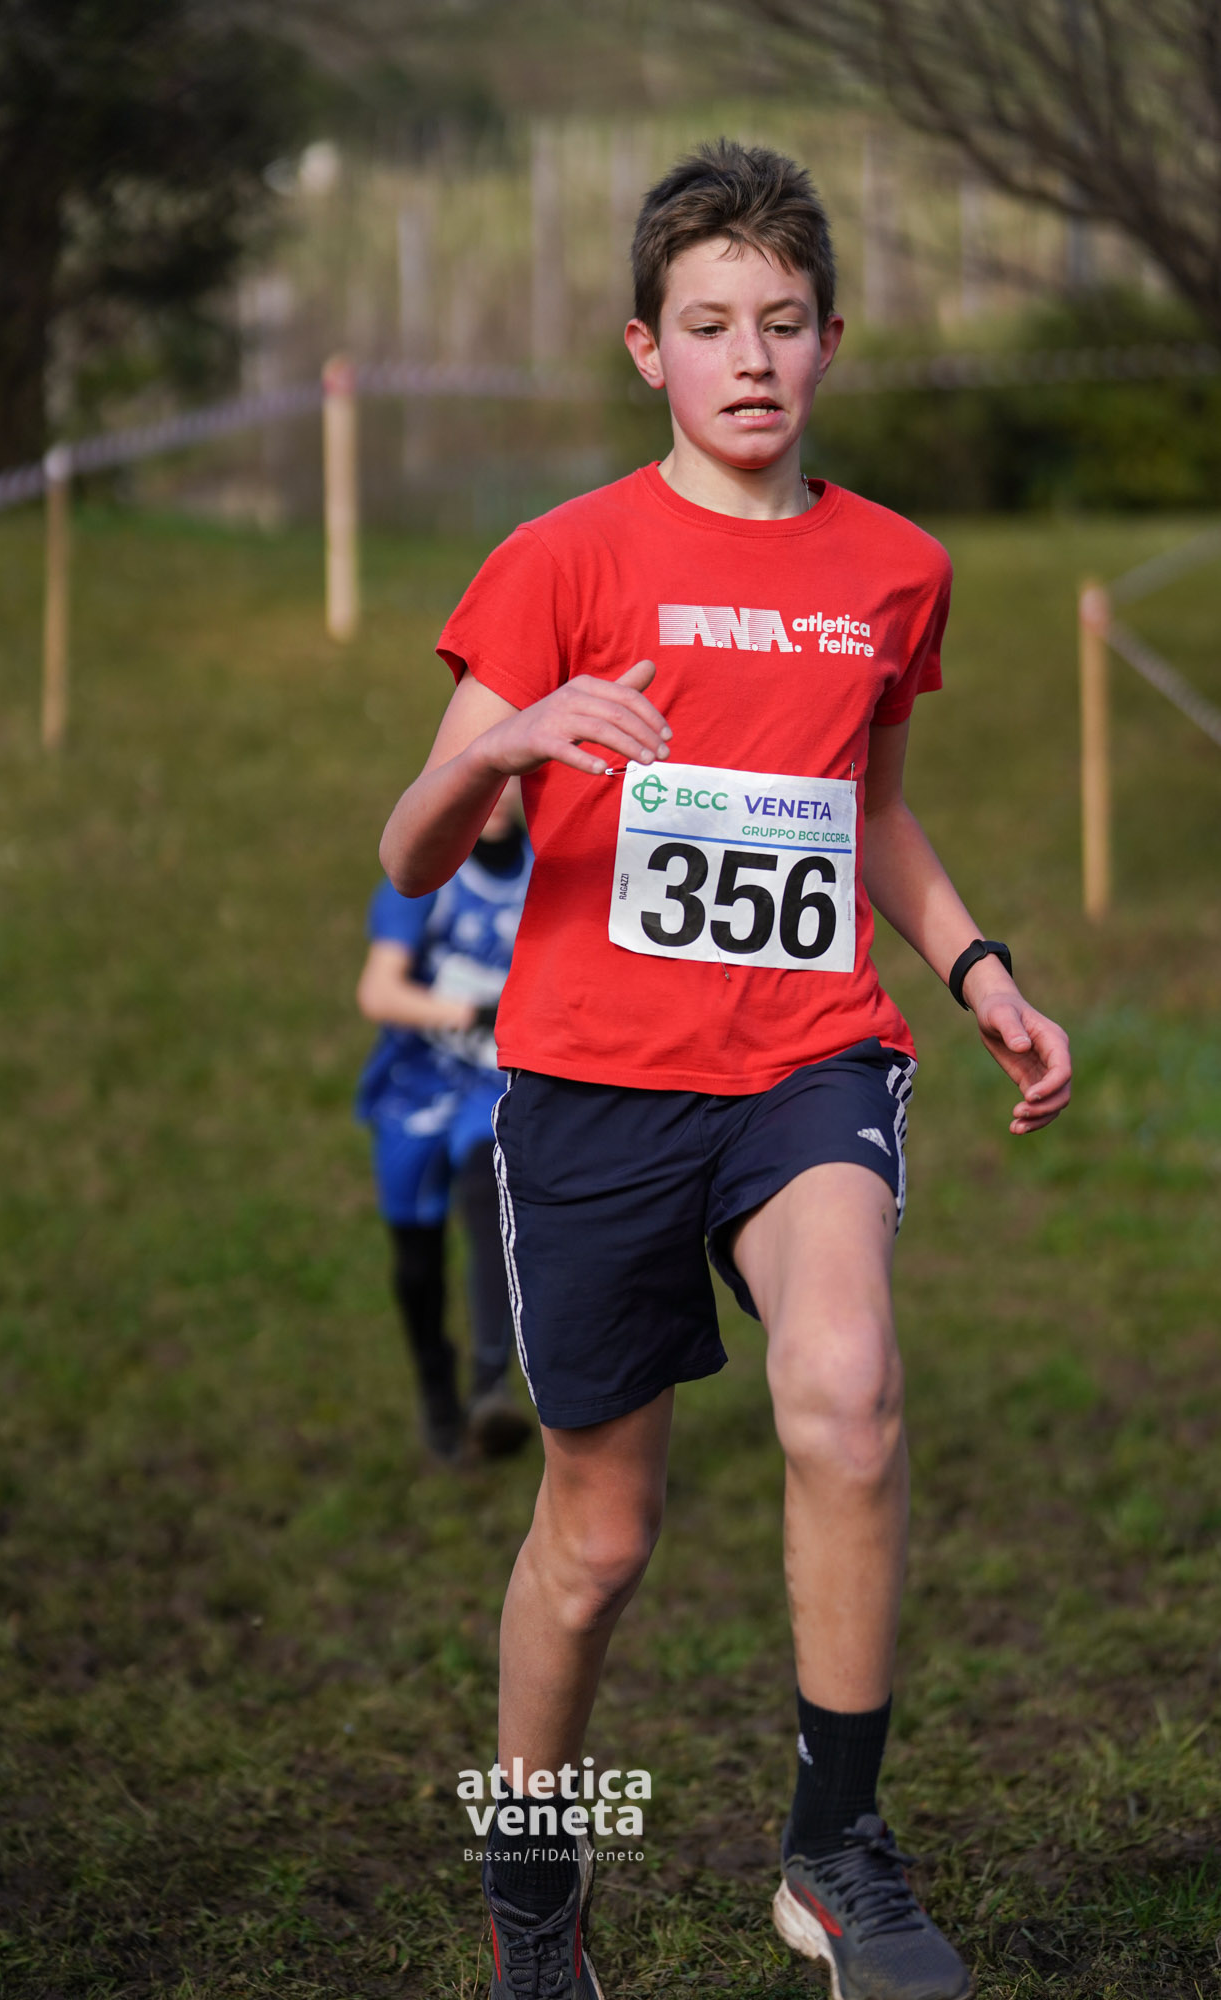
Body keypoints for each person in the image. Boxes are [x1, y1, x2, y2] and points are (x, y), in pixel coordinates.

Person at [380, 142, 1072, 2000]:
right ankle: (535, 1896)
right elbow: (409, 852)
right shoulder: (561, 558)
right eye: (707, 325)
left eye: (779, 322)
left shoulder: (895, 571)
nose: (747, 357)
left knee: (844, 1394)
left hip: (804, 1062)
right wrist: (503, 741)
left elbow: (868, 813)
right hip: (593, 1087)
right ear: (645, 348)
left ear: (829, 340)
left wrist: (978, 967)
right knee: (595, 1544)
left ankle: (833, 1852)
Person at [356, 779, 534, 1464]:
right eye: (488, 776)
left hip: (491, 1085)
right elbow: (379, 991)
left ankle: (491, 1386)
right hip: (416, 1086)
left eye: (515, 776)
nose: (499, 795)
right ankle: (437, 1390)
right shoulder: (427, 873)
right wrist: (472, 1014)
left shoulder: (549, 866)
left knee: (488, 1190)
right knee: (416, 1258)